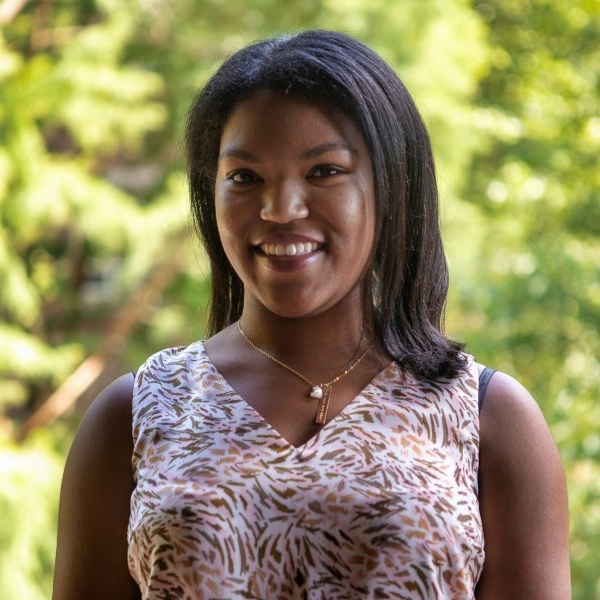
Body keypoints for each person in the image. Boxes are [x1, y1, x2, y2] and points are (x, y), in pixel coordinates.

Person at [53, 30, 570, 599]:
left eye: (324, 171)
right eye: (244, 177)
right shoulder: (135, 414)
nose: (281, 210)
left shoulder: (489, 418)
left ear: (393, 184)